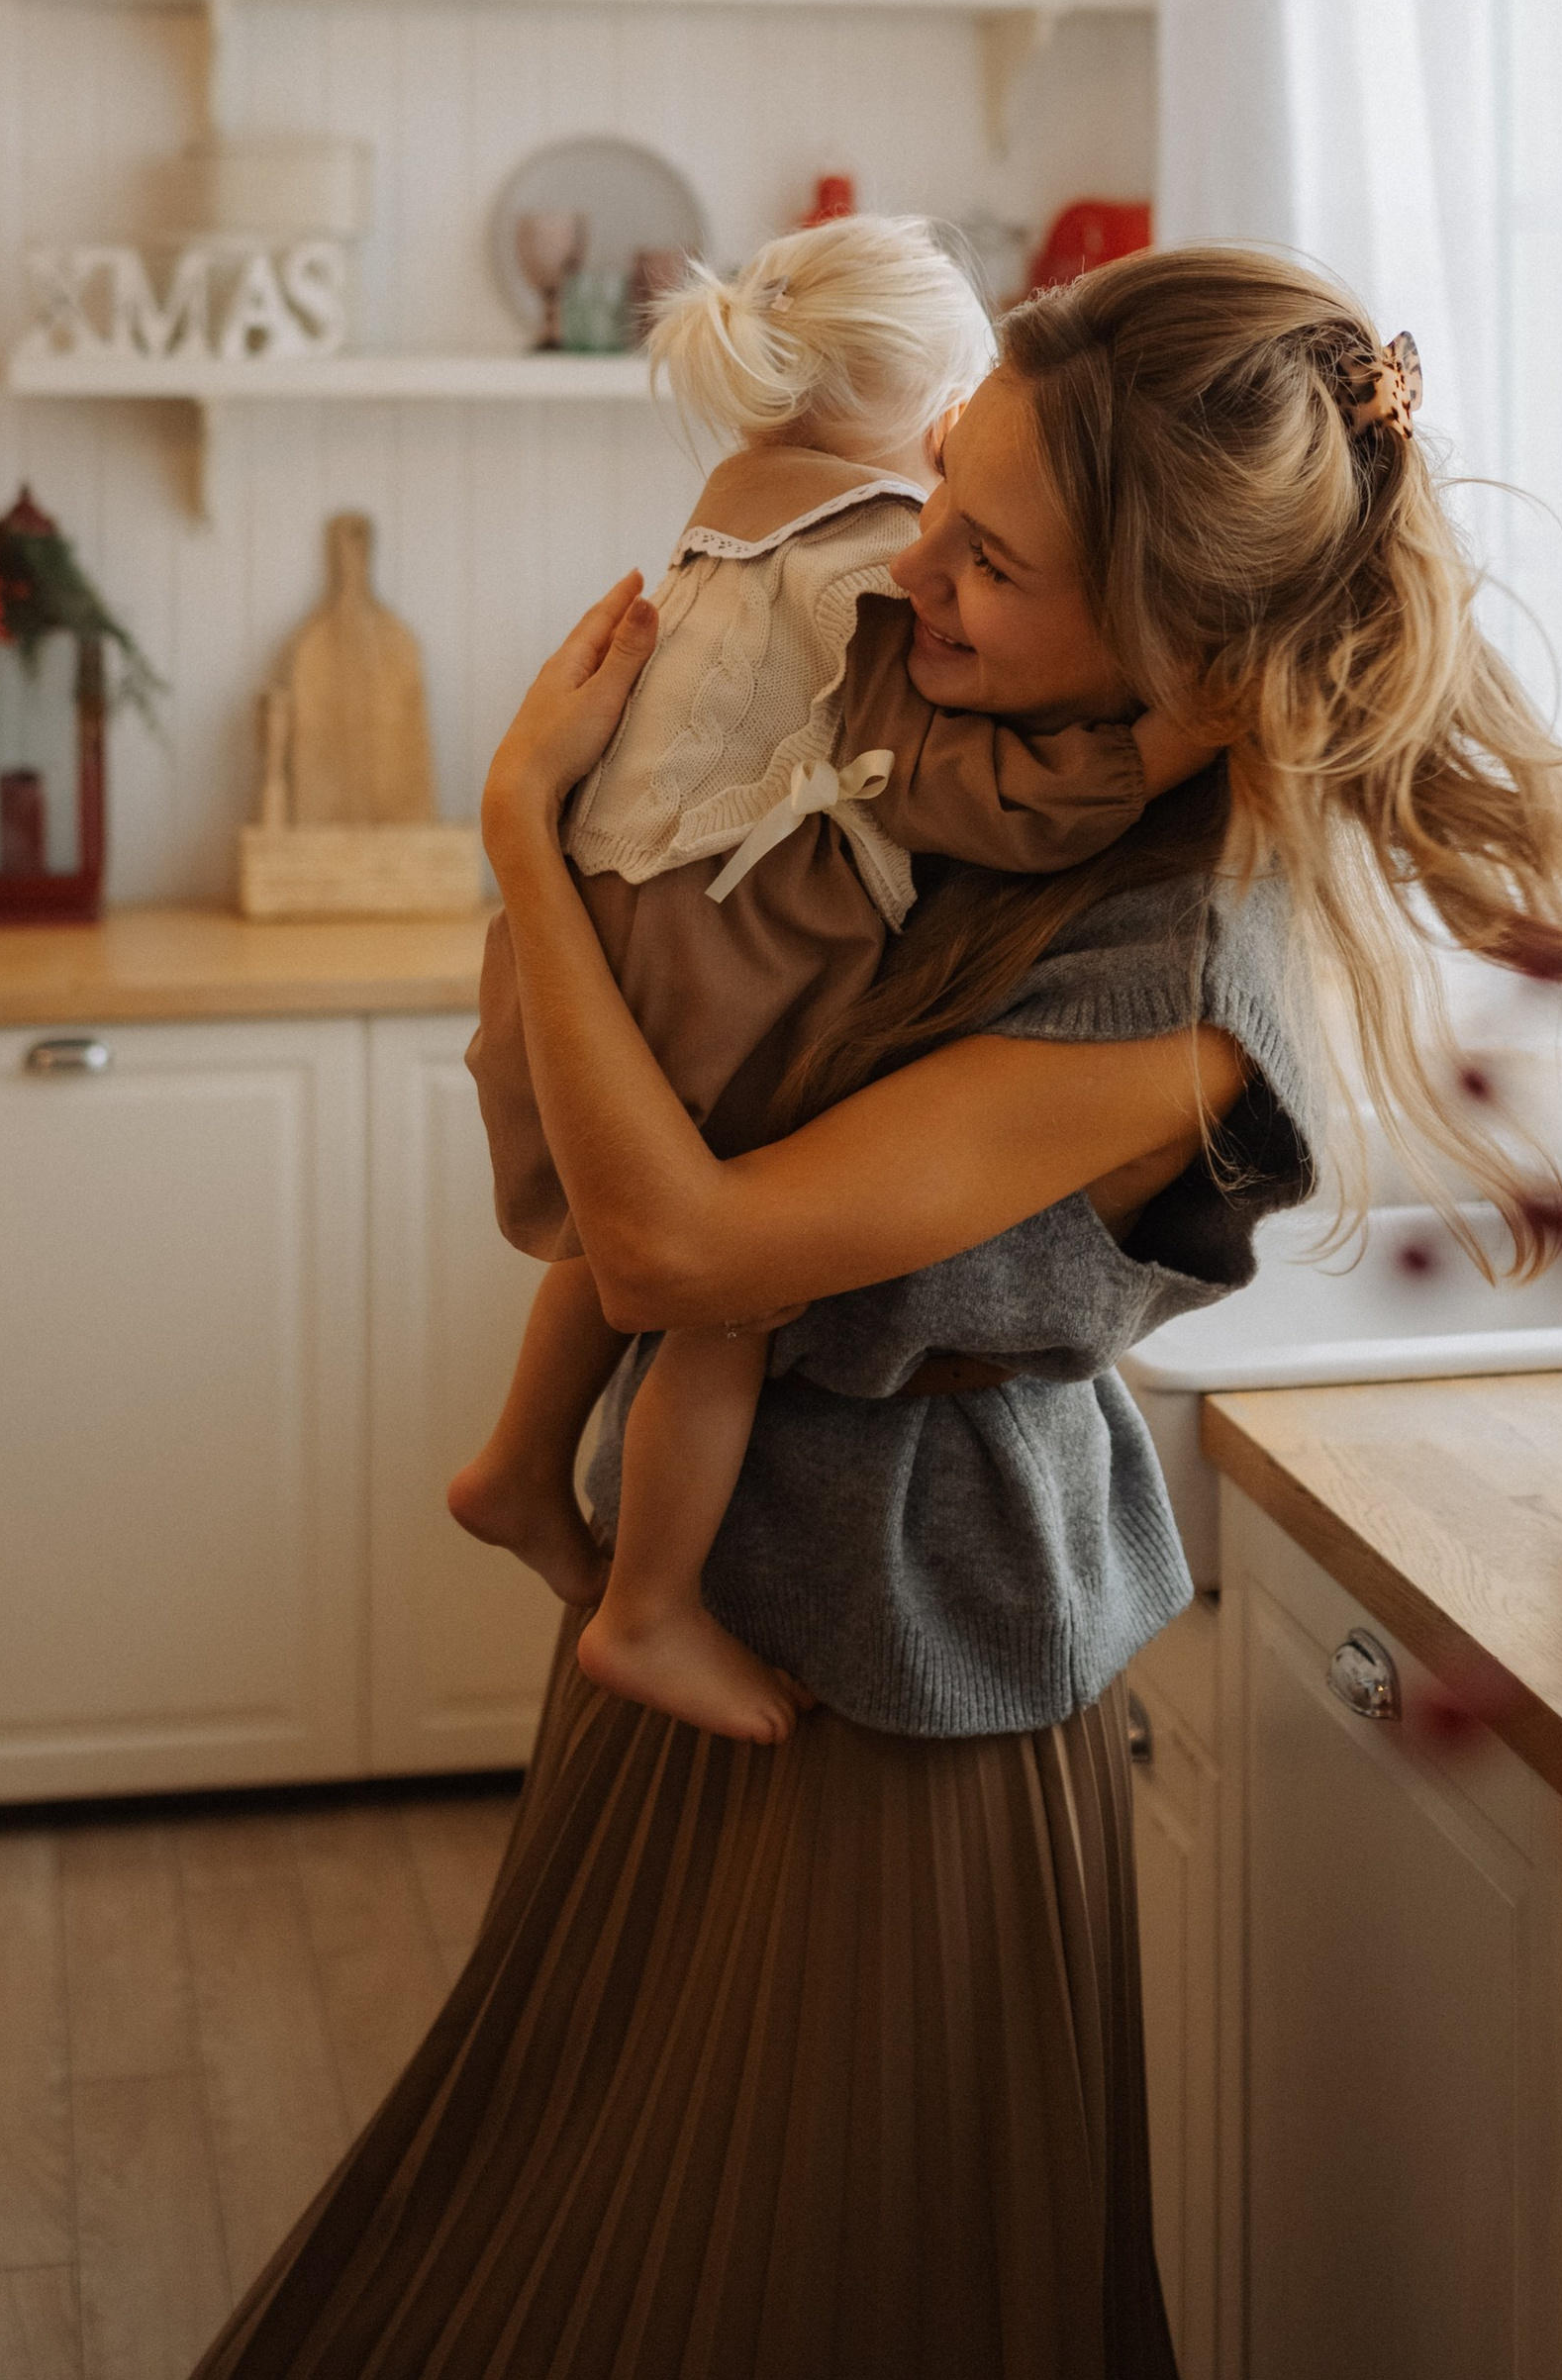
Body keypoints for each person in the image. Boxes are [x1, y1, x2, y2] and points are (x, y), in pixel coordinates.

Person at [168, 246, 1562, 2380]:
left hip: (895, 1681)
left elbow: (668, 1238)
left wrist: (517, 831)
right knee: (566, 2226)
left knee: (843, 2334)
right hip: (714, 1587)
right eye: (935, 493)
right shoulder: (1015, 754)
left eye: (985, 554)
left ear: (1190, 650)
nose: (910, 577)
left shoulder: (1180, 969)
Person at [450, 209, 1209, 1744]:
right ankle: (648, 1609)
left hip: (607, 937)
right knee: (727, 1289)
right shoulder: (873, 563)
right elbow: (957, 792)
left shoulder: (723, 518)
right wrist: (1158, 748)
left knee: (609, 1230)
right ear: (931, 402)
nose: (950, 528)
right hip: (729, 954)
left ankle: (521, 1463)